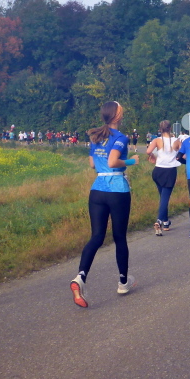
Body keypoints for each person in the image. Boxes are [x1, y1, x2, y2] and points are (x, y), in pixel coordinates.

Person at [70, 101, 139, 308]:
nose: (123, 112)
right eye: (121, 110)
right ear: (116, 115)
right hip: (117, 190)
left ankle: (80, 277)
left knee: (97, 236)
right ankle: (123, 282)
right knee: (119, 237)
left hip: (97, 190)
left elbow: (93, 164)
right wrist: (132, 161)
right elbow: (112, 162)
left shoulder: (96, 136)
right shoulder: (120, 138)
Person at [146, 120, 181, 235]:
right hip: (169, 171)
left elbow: (148, 151)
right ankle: (159, 221)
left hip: (158, 171)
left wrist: (152, 156)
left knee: (163, 197)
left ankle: (166, 222)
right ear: (170, 128)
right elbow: (183, 154)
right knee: (165, 199)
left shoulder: (157, 140)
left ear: (160, 129)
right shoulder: (176, 141)